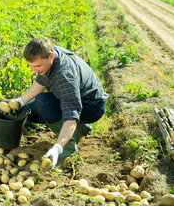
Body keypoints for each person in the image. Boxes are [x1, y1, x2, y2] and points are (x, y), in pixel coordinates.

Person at [12, 36, 108, 170]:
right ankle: (80, 129)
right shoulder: (48, 55)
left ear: (51, 56)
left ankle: (68, 148)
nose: (35, 71)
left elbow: (71, 115)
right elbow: (40, 82)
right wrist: (19, 102)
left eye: (37, 67)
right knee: (27, 111)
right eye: (32, 67)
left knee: (42, 103)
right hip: (73, 99)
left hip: (91, 106)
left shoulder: (65, 76)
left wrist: (57, 148)